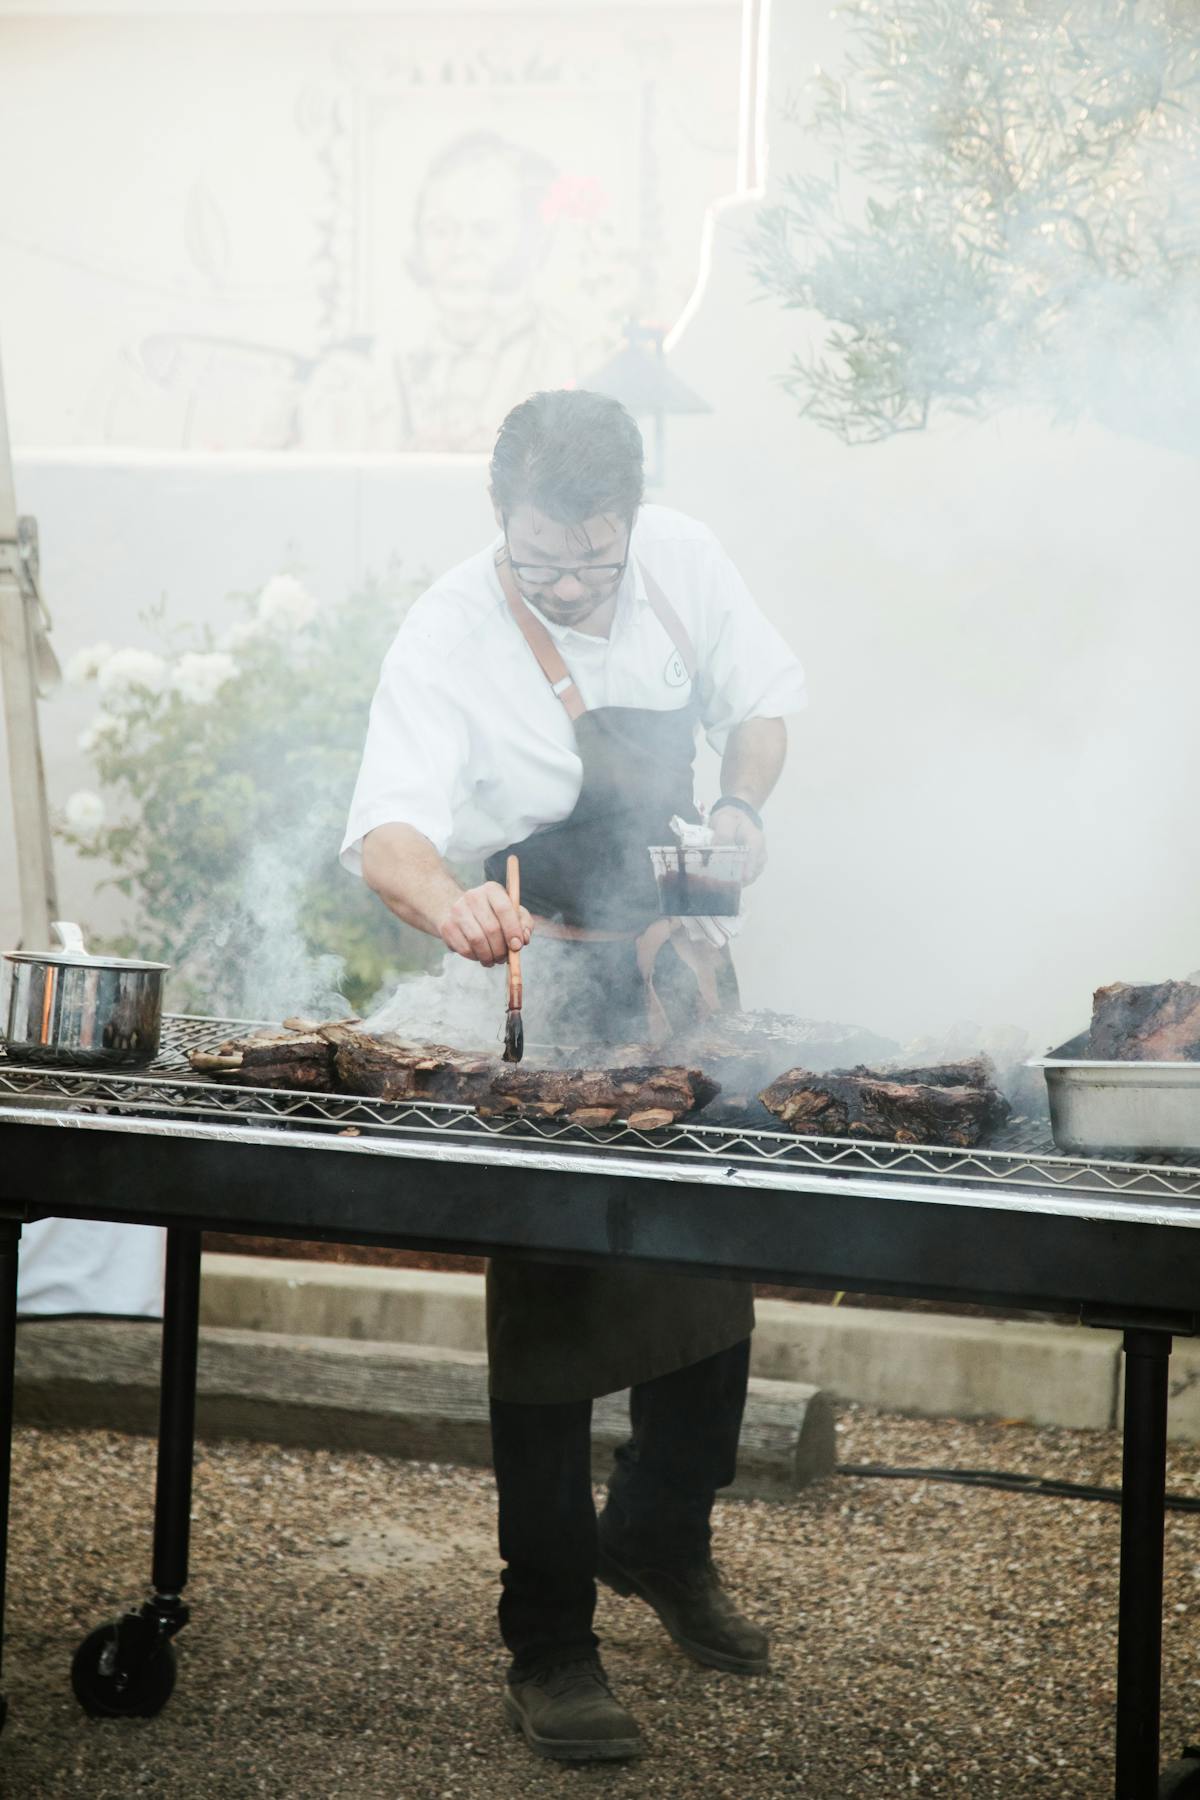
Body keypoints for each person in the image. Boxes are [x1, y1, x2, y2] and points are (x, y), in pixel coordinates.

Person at [341, 388, 806, 1763]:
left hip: (678, 977)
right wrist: (451, 908)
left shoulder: (682, 560)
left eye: (592, 560)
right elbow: (386, 830)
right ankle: (547, 1637)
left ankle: (662, 1532)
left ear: (629, 520)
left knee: (712, 1269)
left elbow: (768, 701)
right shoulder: (449, 629)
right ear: (503, 522)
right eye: (543, 563)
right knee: (549, 1313)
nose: (570, 583)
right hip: (546, 990)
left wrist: (739, 806)